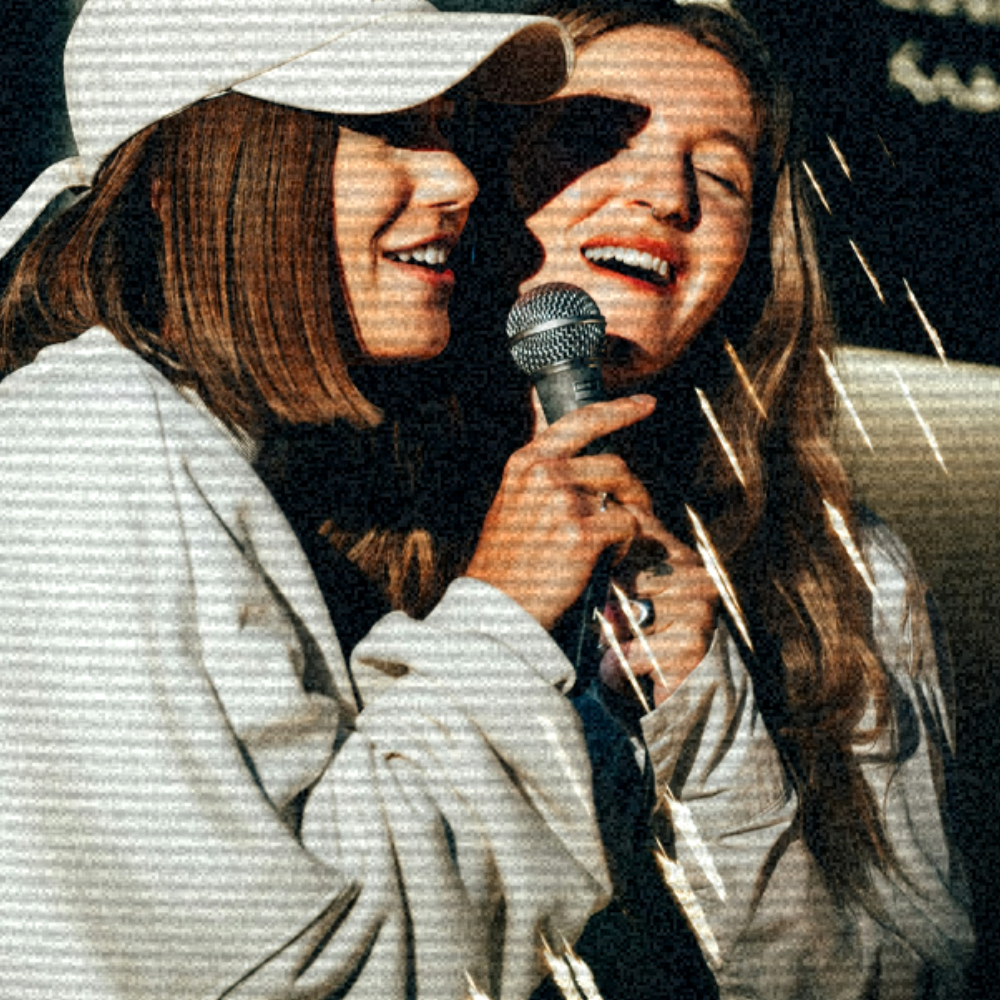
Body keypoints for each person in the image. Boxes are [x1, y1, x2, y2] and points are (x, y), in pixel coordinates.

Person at [0, 2, 675, 997]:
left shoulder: (195, 449)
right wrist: (499, 616)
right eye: (388, 126)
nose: (456, 179)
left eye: (447, 128)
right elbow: (307, 971)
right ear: (192, 171)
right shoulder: (85, 439)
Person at [480, 2, 971, 997]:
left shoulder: (847, 573)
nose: (664, 194)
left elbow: (911, 981)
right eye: (596, 136)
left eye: (721, 176)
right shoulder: (326, 508)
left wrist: (708, 718)